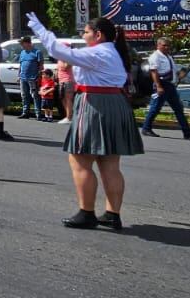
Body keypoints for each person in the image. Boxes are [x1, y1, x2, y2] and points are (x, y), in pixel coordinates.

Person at [27, 14, 143, 230]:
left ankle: (87, 212)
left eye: (86, 32)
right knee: (110, 163)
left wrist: (38, 27)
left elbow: (56, 50)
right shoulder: (112, 52)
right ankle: (112, 214)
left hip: (95, 104)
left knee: (80, 160)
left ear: (98, 35)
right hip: (116, 103)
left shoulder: (96, 52)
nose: (83, 35)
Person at [141, 37, 190, 139]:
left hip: (170, 85)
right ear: (158, 45)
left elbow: (172, 71)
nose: (166, 47)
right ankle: (146, 128)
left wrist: (180, 74)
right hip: (162, 84)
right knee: (155, 107)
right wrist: (159, 86)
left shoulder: (168, 57)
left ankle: (187, 132)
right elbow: (154, 72)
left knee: (178, 108)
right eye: (164, 45)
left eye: (168, 45)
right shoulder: (155, 56)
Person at [16, 36, 44, 120]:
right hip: (23, 77)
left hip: (33, 78)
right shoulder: (22, 52)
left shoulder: (37, 52)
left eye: (22, 43)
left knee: (35, 95)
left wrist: (38, 76)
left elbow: (41, 65)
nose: (21, 45)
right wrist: (19, 75)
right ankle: (25, 112)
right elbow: (21, 65)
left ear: (28, 43)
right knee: (24, 95)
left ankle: (38, 114)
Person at [55, 47, 75, 125]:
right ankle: (68, 116)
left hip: (68, 80)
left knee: (68, 99)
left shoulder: (67, 57)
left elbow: (67, 66)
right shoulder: (60, 58)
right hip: (62, 81)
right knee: (63, 99)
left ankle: (69, 117)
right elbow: (58, 69)